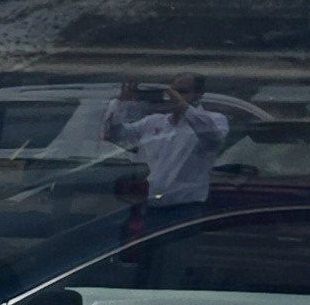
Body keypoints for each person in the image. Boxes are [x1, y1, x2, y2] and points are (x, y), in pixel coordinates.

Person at [103, 74, 258, 214]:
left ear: (198, 95)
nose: (175, 96)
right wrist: (122, 103)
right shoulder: (154, 122)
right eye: (173, 91)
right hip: (148, 205)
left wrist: (183, 106)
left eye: (182, 91)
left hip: (185, 208)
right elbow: (114, 135)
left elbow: (212, 137)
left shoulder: (214, 120)